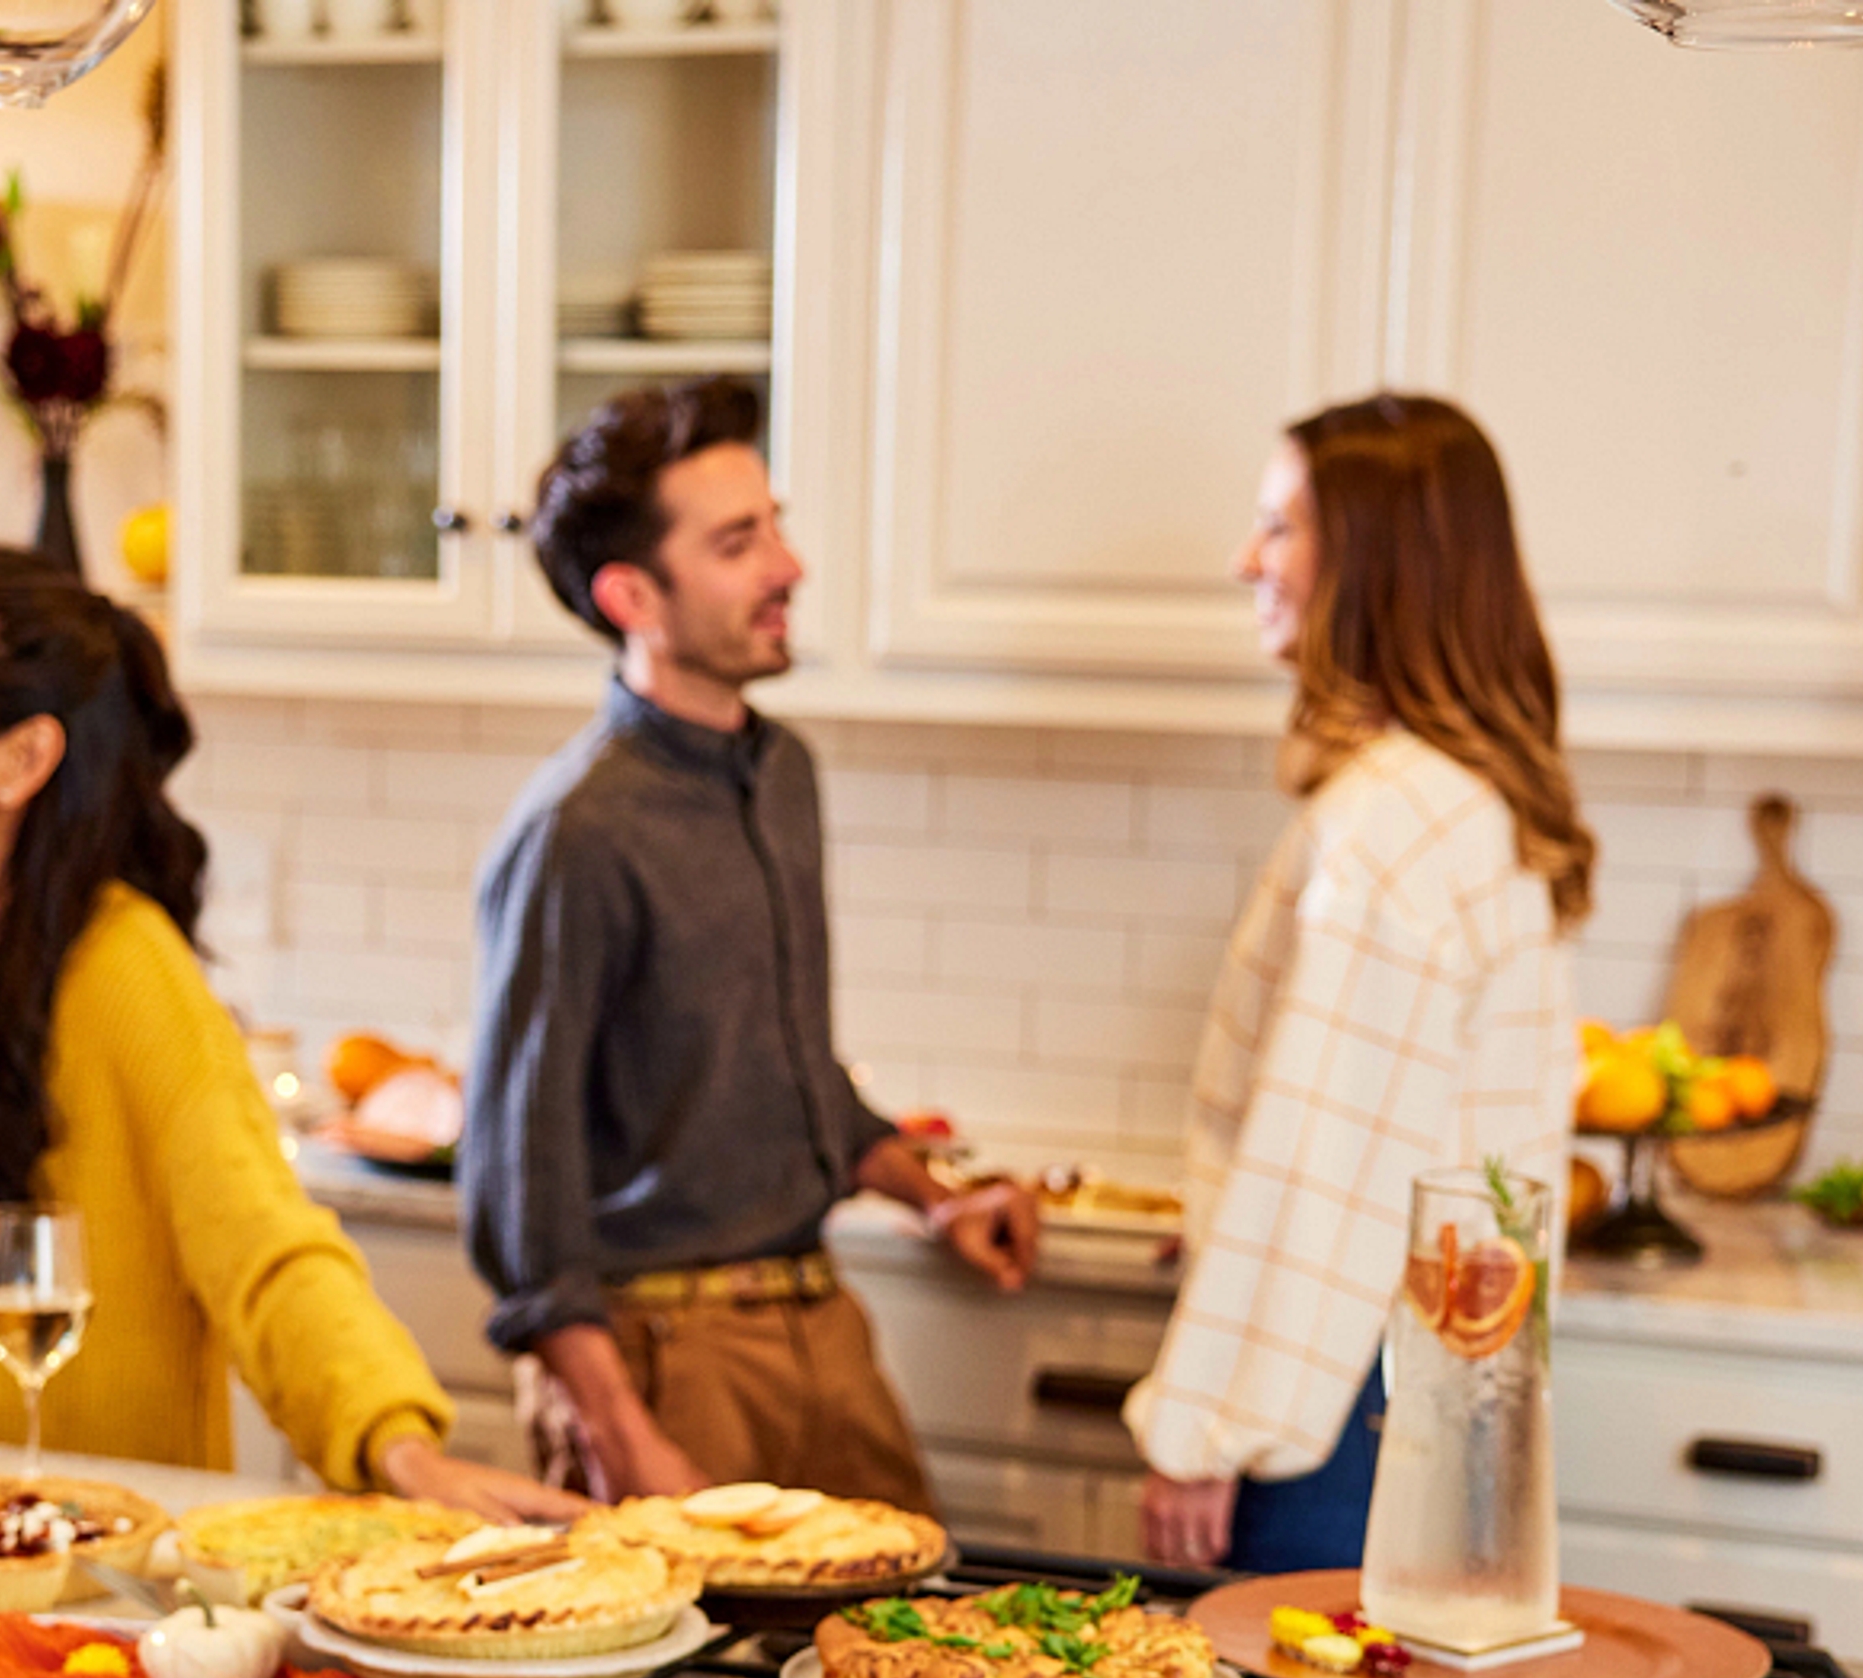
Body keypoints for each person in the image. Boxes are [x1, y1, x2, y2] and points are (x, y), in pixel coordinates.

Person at [0, 545, 572, 1523]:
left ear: (23, 758)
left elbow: (265, 1250)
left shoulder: (128, 972)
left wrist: (398, 1446)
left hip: (84, 1581)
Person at [463, 378, 1037, 1510]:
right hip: (664, 1359)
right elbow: (517, 1193)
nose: (789, 566)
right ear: (635, 595)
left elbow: (781, 1069)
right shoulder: (576, 831)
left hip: (820, 1327)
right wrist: (624, 1437)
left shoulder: (784, 777)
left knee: (910, 1659)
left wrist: (934, 1197)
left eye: (774, 525)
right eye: (739, 542)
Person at [1127, 392, 1589, 1575]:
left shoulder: (1385, 829)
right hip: (1449, 1392)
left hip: (1335, 1423)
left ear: (1374, 566)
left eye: (1279, 527)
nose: (1246, 560)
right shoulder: (1457, 802)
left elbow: (1320, 1164)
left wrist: (1204, 1430)